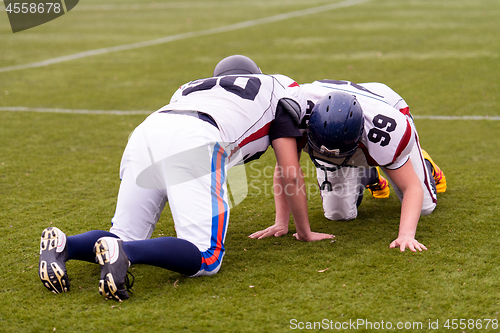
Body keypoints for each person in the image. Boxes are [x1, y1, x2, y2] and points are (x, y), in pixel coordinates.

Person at [38, 55, 334, 301]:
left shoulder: (191, 87)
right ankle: (124, 253)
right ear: (256, 73)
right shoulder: (276, 87)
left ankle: (66, 245)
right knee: (206, 256)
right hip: (197, 138)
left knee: (123, 233)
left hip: (147, 132)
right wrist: (304, 231)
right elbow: (290, 172)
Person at [250, 79, 446, 252]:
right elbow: (286, 170)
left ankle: (421, 161)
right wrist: (281, 222)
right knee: (338, 214)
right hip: (340, 126)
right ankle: (369, 175)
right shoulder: (294, 110)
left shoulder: (388, 132)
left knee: (424, 208)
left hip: (384, 104)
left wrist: (406, 235)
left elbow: (411, 187)